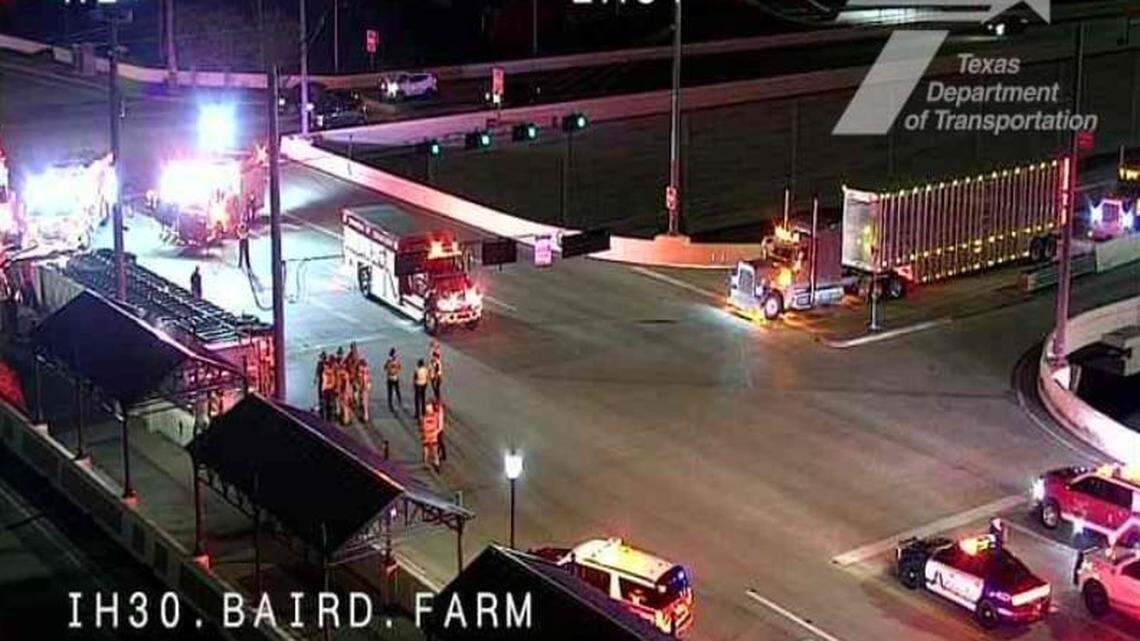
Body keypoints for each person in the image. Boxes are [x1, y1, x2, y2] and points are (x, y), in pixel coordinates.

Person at [419, 402, 441, 471]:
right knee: (426, 450)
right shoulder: (424, 417)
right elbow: (422, 427)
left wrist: (436, 432)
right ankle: (426, 463)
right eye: (427, 408)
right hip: (427, 436)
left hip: (433, 435)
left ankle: (436, 463)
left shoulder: (435, 416)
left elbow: (438, 426)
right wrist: (422, 434)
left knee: (434, 450)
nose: (428, 410)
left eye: (429, 408)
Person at [320, 351, 338, 422]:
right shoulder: (327, 372)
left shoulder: (330, 372)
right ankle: (329, 419)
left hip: (328, 390)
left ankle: (330, 419)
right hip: (326, 390)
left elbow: (332, 381)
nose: (325, 368)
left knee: (329, 405)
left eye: (326, 367)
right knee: (328, 405)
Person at [384, 348, 402, 412]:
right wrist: (396, 370)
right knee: (396, 391)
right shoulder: (395, 361)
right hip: (394, 378)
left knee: (391, 392)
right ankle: (398, 402)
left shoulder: (389, 361)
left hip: (391, 378)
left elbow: (385, 368)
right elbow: (400, 367)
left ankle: (391, 404)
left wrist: (392, 369)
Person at [356, 355, 372, 423]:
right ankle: (365, 415)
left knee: (363, 401)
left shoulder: (361, 370)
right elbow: (369, 378)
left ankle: (365, 416)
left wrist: (361, 385)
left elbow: (362, 379)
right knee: (365, 400)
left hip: (363, 385)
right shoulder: (367, 369)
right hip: (366, 385)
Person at [314, 352, 329, 418]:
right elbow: (317, 372)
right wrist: (315, 378)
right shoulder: (320, 363)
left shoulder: (325, 364)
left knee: (324, 394)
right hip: (321, 380)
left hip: (324, 381)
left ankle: (324, 407)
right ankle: (322, 406)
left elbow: (317, 372)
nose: (322, 358)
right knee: (321, 394)